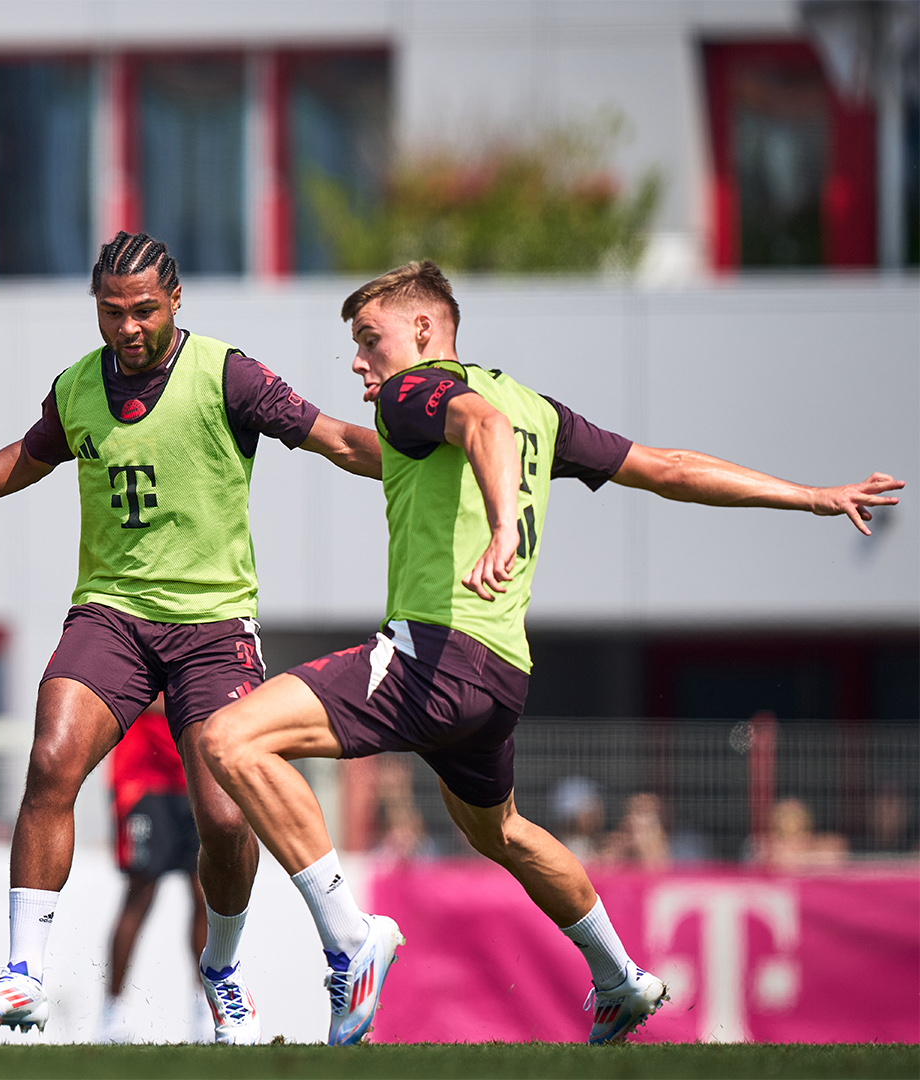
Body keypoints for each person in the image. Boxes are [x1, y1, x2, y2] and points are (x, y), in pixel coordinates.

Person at [197, 260, 904, 1045]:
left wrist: (502, 524)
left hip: (436, 655)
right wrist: (810, 494)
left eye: (370, 339)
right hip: (501, 675)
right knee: (500, 831)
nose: (359, 361)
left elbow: (480, 430)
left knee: (230, 738)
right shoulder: (534, 407)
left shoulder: (416, 392)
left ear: (427, 331)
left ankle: (350, 940)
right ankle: (619, 977)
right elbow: (667, 470)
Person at [0, 231, 382, 1041]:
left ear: (175, 302)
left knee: (223, 816)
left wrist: (422, 463)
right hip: (111, 613)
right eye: (113, 312)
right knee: (49, 761)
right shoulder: (79, 385)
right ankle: (22, 977)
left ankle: (223, 973)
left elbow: (335, 438)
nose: (130, 327)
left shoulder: (227, 374)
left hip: (213, 626)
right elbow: (28, 458)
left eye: (145, 310)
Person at [98, 703, 208, 1044]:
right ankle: (112, 1012)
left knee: (207, 894)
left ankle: (207, 1008)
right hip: (142, 778)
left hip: (196, 777)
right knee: (140, 892)